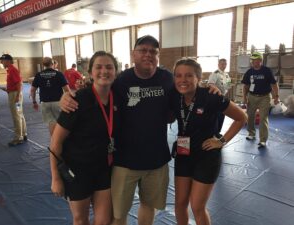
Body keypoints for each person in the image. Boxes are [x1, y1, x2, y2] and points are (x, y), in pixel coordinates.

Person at [59, 35, 220, 225]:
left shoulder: (167, 78)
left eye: (153, 51)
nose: (148, 55)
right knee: (118, 214)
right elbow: (96, 89)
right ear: (133, 54)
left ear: (158, 56)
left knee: (148, 206)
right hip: (124, 161)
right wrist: (69, 96)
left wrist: (206, 87)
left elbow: (186, 87)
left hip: (157, 160)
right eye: (143, 50)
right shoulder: (121, 81)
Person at [171, 57, 247, 225]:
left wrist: (222, 141)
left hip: (206, 157)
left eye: (189, 76)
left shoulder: (211, 96)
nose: (183, 80)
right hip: (184, 154)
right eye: (178, 75)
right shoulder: (175, 96)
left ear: (198, 78)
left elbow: (242, 117)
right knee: (179, 204)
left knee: (197, 207)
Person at [49, 51, 119, 225]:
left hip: (104, 169)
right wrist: (56, 178)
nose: (104, 71)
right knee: (81, 220)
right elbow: (56, 142)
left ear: (115, 72)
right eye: (99, 67)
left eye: (109, 67)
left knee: (104, 221)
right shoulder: (78, 99)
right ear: (90, 72)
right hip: (78, 171)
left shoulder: (118, 98)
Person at [242, 52, 279, 148]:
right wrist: (244, 97)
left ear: (261, 61)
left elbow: (274, 84)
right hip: (252, 96)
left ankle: (263, 140)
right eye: (253, 61)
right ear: (251, 62)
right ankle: (251, 133)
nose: (255, 62)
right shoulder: (249, 72)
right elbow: (245, 86)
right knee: (250, 116)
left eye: (257, 60)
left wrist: (276, 96)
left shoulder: (267, 71)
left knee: (263, 118)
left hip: (265, 97)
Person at [30, 57, 70, 136]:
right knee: (61, 122)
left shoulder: (38, 75)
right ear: (52, 64)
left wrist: (34, 102)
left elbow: (32, 90)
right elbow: (67, 90)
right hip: (58, 102)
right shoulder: (58, 74)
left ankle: (53, 141)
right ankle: (61, 141)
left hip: (45, 103)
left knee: (51, 123)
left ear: (43, 65)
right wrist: (68, 101)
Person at [0, 54, 27, 146]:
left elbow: (19, 83)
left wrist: (17, 95)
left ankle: (18, 138)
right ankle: (23, 133)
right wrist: (7, 89)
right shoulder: (10, 70)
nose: (1, 62)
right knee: (20, 114)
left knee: (16, 116)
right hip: (14, 93)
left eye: (2, 60)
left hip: (15, 95)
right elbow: (15, 83)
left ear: (8, 61)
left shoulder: (12, 70)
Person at [208, 58, 232, 134]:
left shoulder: (227, 75)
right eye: (222, 64)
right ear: (218, 64)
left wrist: (228, 98)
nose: (223, 65)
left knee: (222, 115)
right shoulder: (215, 74)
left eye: (225, 64)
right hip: (216, 98)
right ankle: (214, 133)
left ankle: (218, 132)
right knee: (216, 117)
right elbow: (210, 84)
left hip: (224, 98)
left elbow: (228, 86)